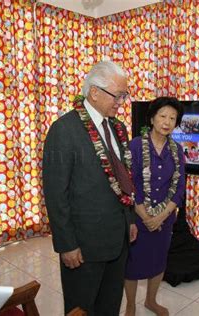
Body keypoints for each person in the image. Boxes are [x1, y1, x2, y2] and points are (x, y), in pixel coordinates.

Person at [43, 60, 138, 315]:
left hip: (118, 239)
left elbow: (123, 180)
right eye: (117, 95)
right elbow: (55, 193)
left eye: (124, 95)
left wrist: (129, 220)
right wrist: (66, 244)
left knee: (109, 305)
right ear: (94, 92)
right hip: (83, 246)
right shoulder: (64, 130)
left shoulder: (118, 127)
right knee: (81, 308)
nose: (121, 101)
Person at [124, 97, 186, 316]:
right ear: (151, 118)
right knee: (132, 266)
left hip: (164, 219)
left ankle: (151, 301)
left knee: (159, 262)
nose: (167, 122)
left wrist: (161, 216)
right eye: (162, 116)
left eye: (172, 118)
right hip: (138, 218)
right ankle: (130, 306)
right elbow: (130, 185)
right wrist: (146, 216)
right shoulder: (134, 146)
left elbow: (179, 188)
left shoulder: (177, 150)